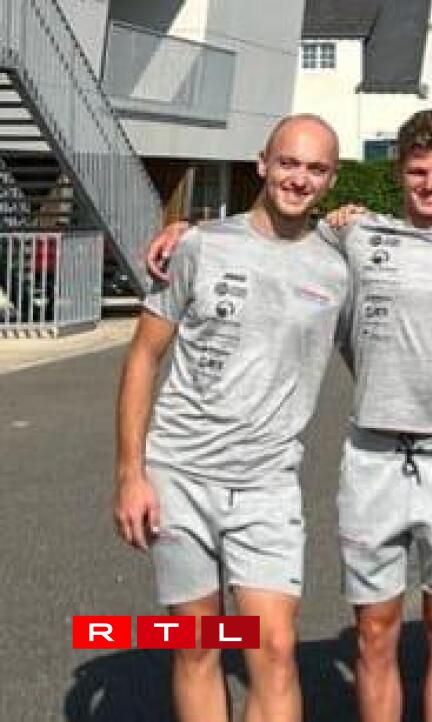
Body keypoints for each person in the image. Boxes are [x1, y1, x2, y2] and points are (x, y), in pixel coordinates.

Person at [145, 110, 432, 722]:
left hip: (425, 459)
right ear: (397, 172)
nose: (430, 183)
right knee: (204, 640)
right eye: (417, 171)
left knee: (427, 630)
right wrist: (187, 230)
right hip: (268, 466)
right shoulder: (355, 238)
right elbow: (263, 235)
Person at [113, 114, 346, 722]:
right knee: (197, 644)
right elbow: (143, 357)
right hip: (179, 475)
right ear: (262, 163)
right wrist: (131, 474)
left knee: (275, 649)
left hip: (268, 483)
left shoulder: (340, 265)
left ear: (332, 179)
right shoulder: (198, 246)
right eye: (288, 162)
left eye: (316, 168)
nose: (299, 178)